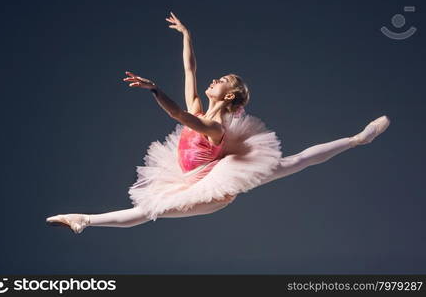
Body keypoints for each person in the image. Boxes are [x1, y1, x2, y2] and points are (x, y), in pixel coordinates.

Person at [46, 12, 390, 234]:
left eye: (223, 80)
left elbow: (177, 115)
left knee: (294, 162)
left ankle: (358, 139)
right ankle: (84, 221)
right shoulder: (200, 108)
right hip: (189, 177)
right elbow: (190, 69)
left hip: (214, 188)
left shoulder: (214, 129)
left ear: (229, 97)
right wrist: (186, 35)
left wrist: (154, 89)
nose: (215, 79)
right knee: (146, 209)